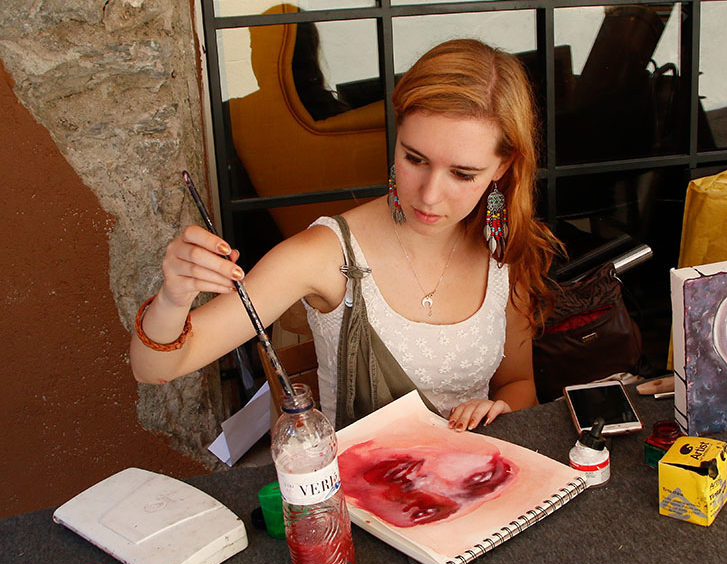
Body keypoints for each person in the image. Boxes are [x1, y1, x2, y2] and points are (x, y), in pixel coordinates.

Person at [130, 38, 564, 431]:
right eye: (414, 159)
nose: (430, 195)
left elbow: (518, 383)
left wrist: (500, 409)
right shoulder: (326, 253)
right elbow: (155, 368)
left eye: (463, 174)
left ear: (503, 166)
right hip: (365, 489)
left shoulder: (502, 248)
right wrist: (174, 296)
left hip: (482, 480)